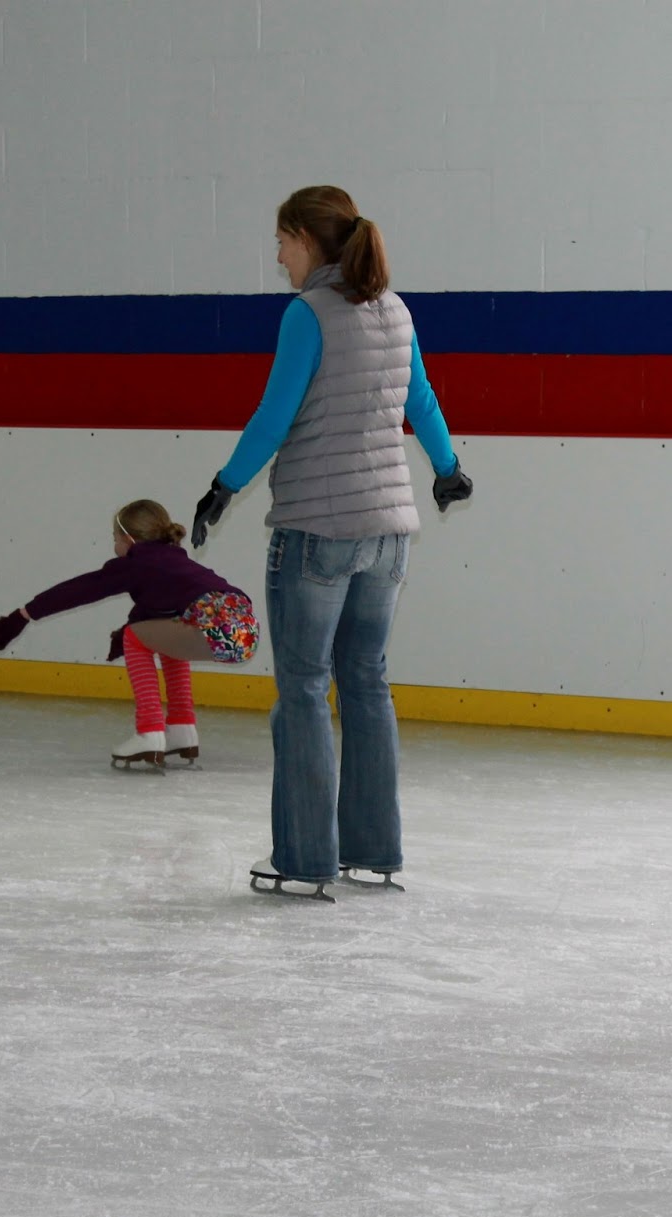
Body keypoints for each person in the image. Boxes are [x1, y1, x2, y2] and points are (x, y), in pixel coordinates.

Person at [188, 184, 471, 901]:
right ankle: (374, 849)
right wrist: (447, 469)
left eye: (282, 240)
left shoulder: (307, 312)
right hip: (388, 533)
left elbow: (273, 416)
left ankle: (306, 856)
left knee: (306, 691)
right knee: (368, 684)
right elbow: (423, 399)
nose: (277, 254)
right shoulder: (394, 308)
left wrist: (223, 485)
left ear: (308, 241)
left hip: (316, 530)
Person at [0, 500, 258, 770]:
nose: (114, 544)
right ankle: (182, 728)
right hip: (245, 633)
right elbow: (159, 609)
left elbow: (79, 589)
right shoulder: (172, 561)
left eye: (115, 538)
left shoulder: (137, 562)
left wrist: (21, 615)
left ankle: (149, 733)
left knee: (134, 636)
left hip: (216, 630)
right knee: (161, 634)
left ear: (129, 540)